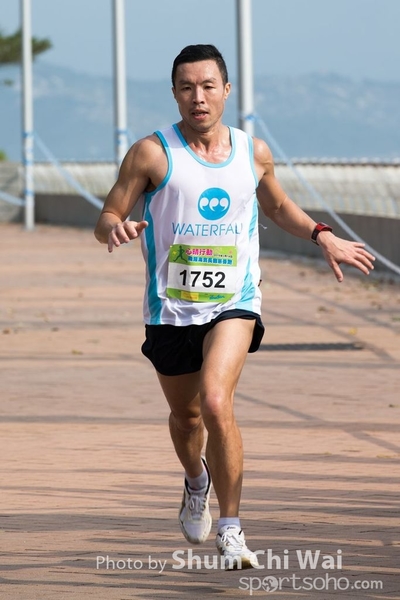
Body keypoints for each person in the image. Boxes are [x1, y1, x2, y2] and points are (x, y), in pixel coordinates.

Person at [94, 44, 375, 570]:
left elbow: (278, 206)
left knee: (216, 401)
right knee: (187, 417)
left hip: (235, 299)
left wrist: (322, 235)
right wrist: (117, 227)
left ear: (226, 90)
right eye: (186, 88)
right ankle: (195, 480)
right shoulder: (151, 153)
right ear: (174, 93)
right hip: (171, 309)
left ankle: (232, 529)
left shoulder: (253, 151)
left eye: (207, 86)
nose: (197, 98)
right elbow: (107, 214)